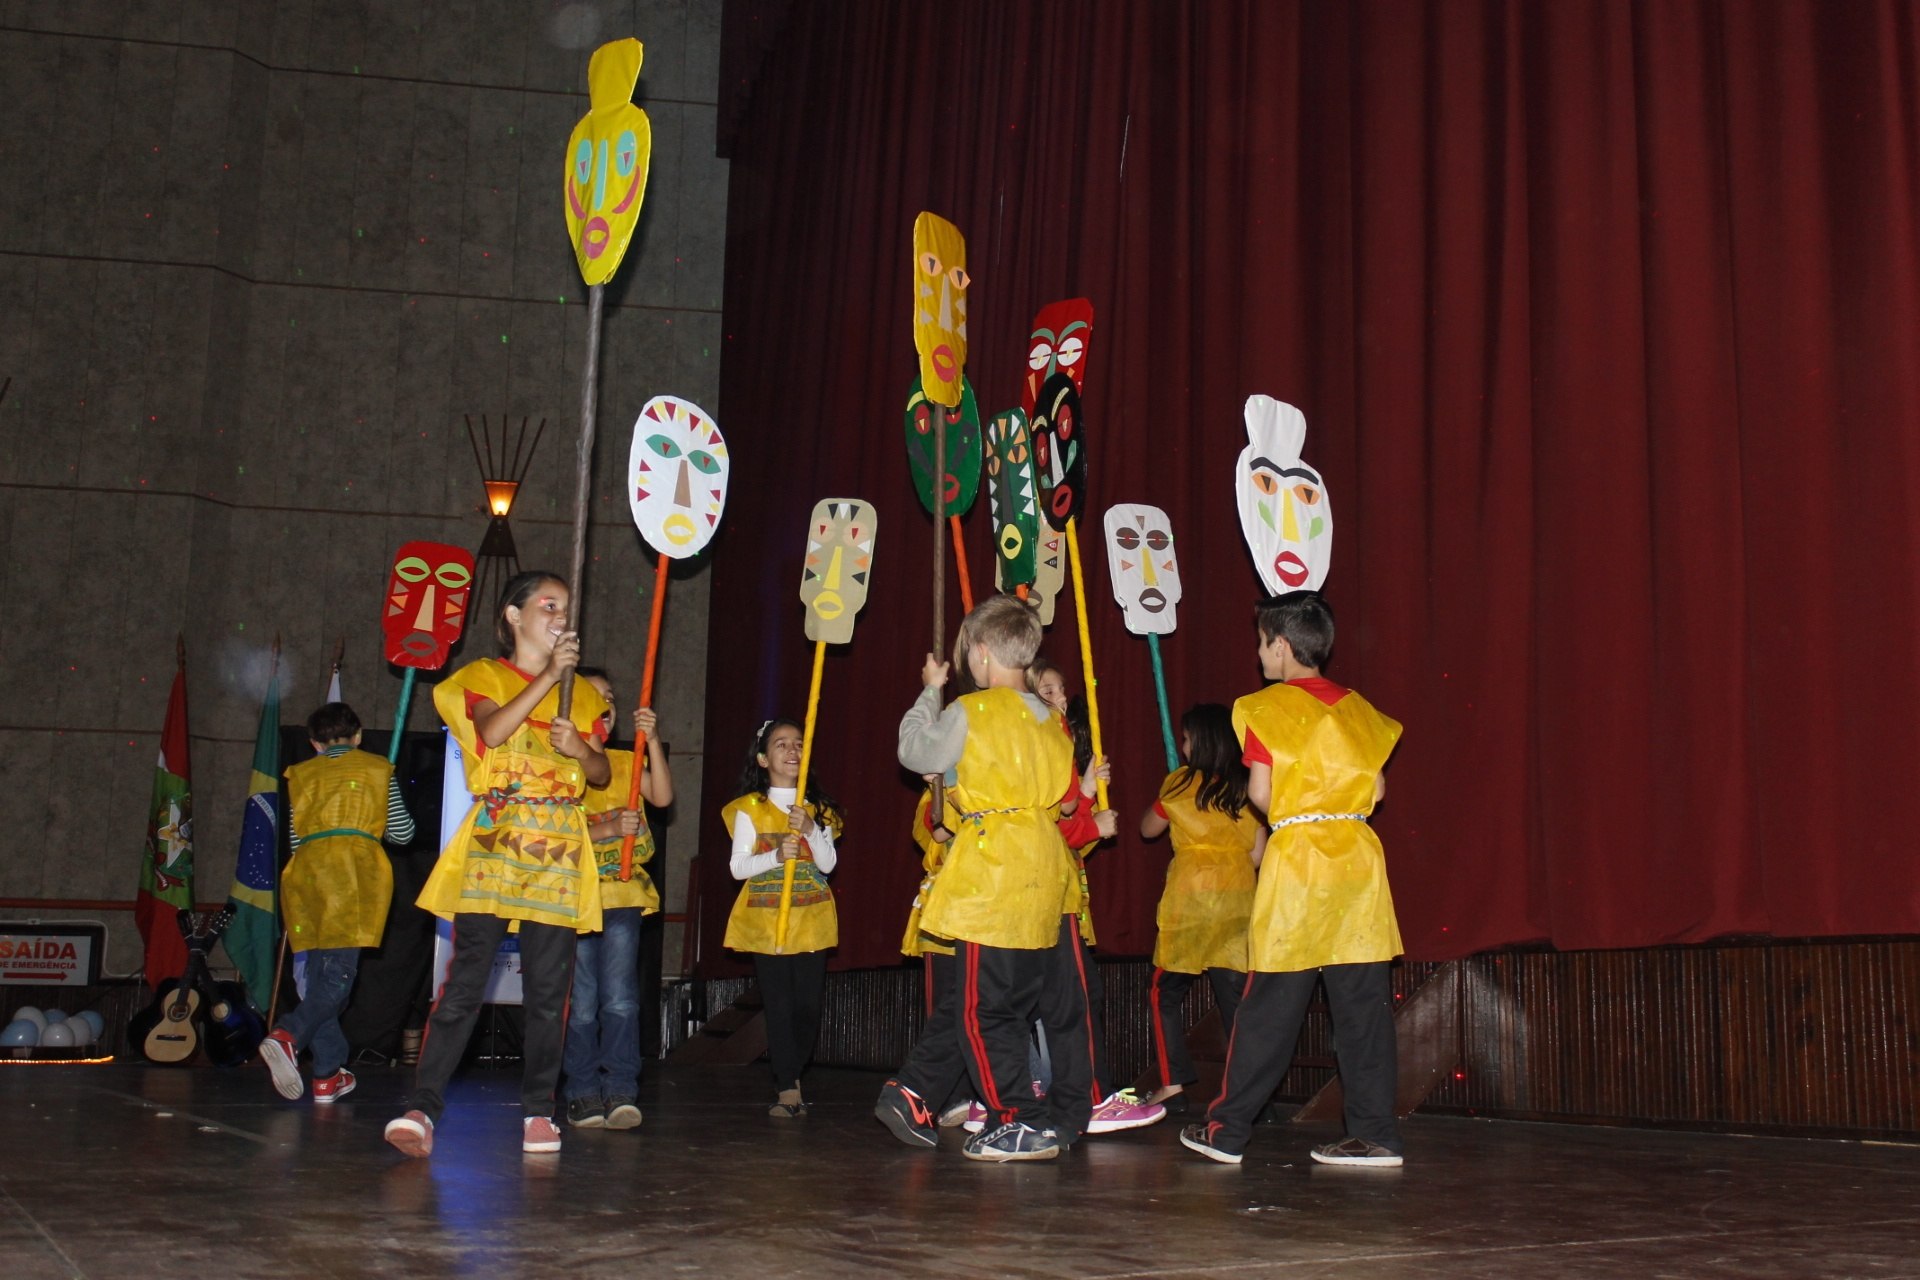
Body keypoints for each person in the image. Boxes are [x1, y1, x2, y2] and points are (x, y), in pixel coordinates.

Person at [384, 570, 611, 1159]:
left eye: (566, 606)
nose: (559, 614)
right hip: (496, 841)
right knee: (465, 981)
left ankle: (539, 1110)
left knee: (547, 989)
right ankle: (423, 1107)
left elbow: (602, 774)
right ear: (513, 615)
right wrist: (548, 678)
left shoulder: (584, 695)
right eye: (547, 604)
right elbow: (491, 730)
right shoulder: (480, 676)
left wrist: (580, 748)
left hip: (558, 845)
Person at [1180, 590, 1406, 1168]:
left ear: (1281, 646)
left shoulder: (1265, 708)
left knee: (1269, 1005)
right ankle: (1376, 1135)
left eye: (1262, 643)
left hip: (1300, 861)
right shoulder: (1360, 709)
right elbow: (1376, 791)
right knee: (1362, 1007)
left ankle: (1227, 1131)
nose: (1259, 656)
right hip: (1357, 862)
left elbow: (1260, 793)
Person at [884, 593, 1093, 1162]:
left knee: (985, 1008)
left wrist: (931, 689)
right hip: (1044, 868)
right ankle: (921, 1093)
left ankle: (1016, 1118)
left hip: (993, 867)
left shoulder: (969, 712)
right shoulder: (1054, 721)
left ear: (979, 653)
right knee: (1016, 999)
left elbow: (910, 749)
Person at [1025, 658, 1165, 1136]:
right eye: (1047, 690)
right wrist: (1088, 820)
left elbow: (1063, 821)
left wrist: (1084, 792)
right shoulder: (1032, 747)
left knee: (1061, 997)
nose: (1061, 698)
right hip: (1040, 891)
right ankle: (1084, 1098)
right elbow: (1044, 826)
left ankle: (1049, 1095)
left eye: (1063, 690)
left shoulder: (1053, 749)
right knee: (1072, 997)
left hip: (1058, 891)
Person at [257, 701, 416, 1103]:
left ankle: (328, 1072)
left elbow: (294, 840)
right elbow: (403, 832)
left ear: (314, 743)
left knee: (316, 977)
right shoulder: (378, 769)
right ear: (358, 735)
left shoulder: (301, 774)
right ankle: (289, 1034)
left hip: (306, 878)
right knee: (338, 978)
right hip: (354, 877)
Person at [562, 668, 673, 1131]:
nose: (606, 705)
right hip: (576, 897)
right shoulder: (561, 768)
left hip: (622, 894)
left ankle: (622, 1088)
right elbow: (553, 831)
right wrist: (607, 829)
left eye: (610, 697)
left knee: (621, 998)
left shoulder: (628, 762)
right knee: (582, 1000)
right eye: (595, 696)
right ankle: (583, 1091)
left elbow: (663, 797)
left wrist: (653, 741)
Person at [1137, 703, 1261, 1109]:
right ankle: (1252, 1094)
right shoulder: (1245, 789)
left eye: (1187, 738)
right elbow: (1257, 854)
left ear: (1201, 741)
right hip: (1237, 899)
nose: (1184, 746)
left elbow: (1147, 829)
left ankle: (1173, 1082)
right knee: (1236, 1004)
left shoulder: (1178, 783)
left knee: (1164, 992)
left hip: (1190, 901)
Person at [722, 718, 843, 1117]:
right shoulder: (749, 810)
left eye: (798, 744)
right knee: (779, 1004)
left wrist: (810, 829)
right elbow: (738, 867)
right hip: (766, 920)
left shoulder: (818, 809)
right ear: (762, 758)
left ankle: (795, 1068)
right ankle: (786, 1085)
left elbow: (827, 864)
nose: (791, 751)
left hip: (811, 919)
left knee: (807, 1007)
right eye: (781, 745)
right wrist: (775, 856)